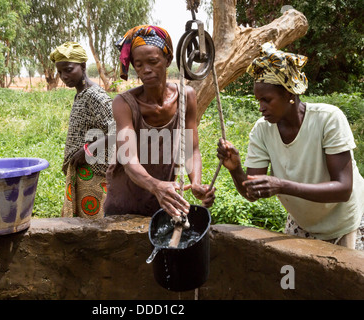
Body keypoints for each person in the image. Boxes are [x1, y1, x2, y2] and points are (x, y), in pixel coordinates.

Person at [217, 42, 364, 250]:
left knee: (347, 280)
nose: (261, 108)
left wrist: (282, 185)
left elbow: (343, 189)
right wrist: (236, 169)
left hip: (346, 223)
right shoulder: (262, 131)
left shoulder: (328, 119)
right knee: (295, 281)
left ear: (289, 94)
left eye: (267, 100)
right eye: (258, 100)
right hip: (303, 224)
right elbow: (252, 193)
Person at [103, 25, 215, 218]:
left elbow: (192, 149)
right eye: (139, 65)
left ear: (168, 60)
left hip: (164, 201)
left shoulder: (186, 96)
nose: (146, 70)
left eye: (153, 62)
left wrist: (196, 182)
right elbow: (129, 161)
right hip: (125, 200)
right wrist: (156, 186)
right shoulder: (124, 103)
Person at [50, 42, 113, 219]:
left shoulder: (95, 95)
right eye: (60, 72)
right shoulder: (81, 93)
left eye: (68, 70)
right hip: (83, 171)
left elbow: (119, 131)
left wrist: (88, 150)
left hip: (94, 173)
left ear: (83, 66)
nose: (63, 76)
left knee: (92, 225)